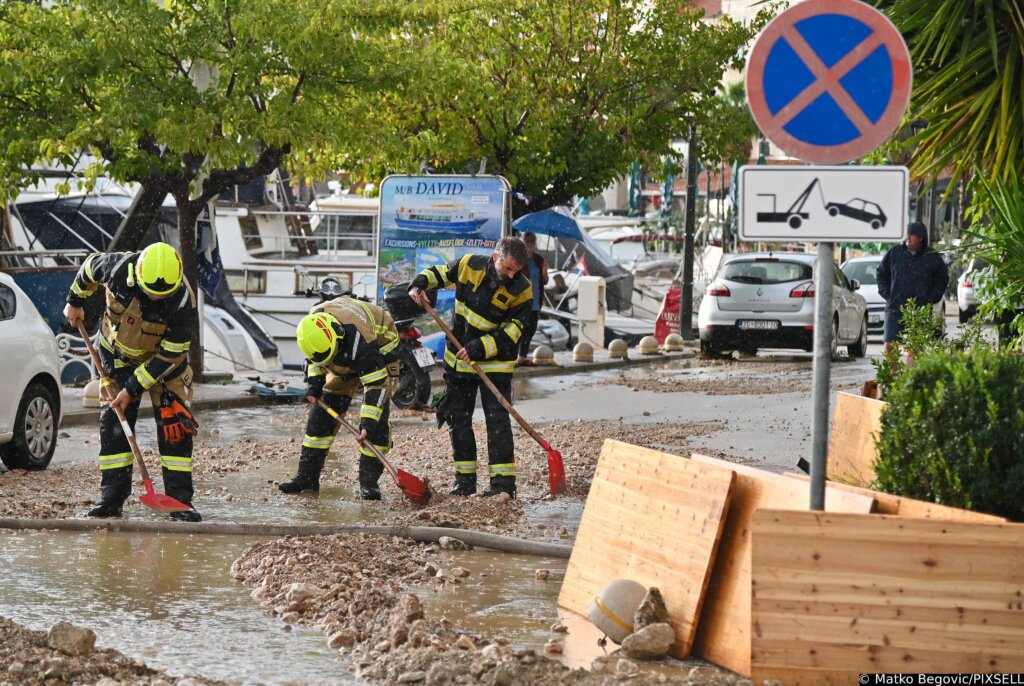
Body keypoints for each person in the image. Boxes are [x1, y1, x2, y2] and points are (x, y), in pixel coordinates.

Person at [62, 242, 202, 521]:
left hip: (166, 367)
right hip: (117, 358)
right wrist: (74, 302)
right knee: (114, 430)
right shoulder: (116, 268)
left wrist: (132, 389)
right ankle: (112, 499)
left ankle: (179, 502)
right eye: (151, 294)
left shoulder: (183, 302)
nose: (156, 300)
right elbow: (89, 268)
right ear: (138, 276)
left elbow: (169, 356)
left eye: (162, 296)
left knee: (175, 432)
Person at [408, 237, 532, 499]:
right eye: (508, 268)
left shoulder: (523, 288)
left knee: (497, 421)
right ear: (496, 256)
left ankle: (503, 485)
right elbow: (440, 273)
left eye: (516, 271)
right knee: (458, 419)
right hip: (458, 360)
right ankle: (464, 482)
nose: (511, 275)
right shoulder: (468, 265)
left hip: (495, 363)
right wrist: (419, 283)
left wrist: (478, 348)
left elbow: (513, 331)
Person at [281, 296, 400, 499]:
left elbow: (376, 385)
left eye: (333, 356)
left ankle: (369, 484)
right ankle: (307, 478)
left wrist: (367, 424)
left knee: (376, 423)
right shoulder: (312, 330)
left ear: (338, 337)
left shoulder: (362, 343)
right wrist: (315, 386)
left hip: (382, 345)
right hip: (346, 353)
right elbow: (315, 361)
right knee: (321, 418)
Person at [876, 221, 949, 364]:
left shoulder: (932, 257)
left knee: (915, 348)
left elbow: (942, 279)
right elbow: (881, 273)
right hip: (895, 308)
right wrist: (888, 294)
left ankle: (910, 379)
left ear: (920, 238)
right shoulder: (894, 253)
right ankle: (892, 379)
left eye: (911, 235)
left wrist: (931, 298)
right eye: (906, 235)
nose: (907, 238)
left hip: (920, 309)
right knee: (890, 345)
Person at [516, 232, 549, 367]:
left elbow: (544, 281)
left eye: (532, 241)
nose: (529, 244)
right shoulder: (518, 259)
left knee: (531, 329)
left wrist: (545, 272)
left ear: (535, 244)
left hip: (535, 300)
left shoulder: (539, 260)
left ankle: (523, 356)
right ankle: (513, 357)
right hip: (521, 300)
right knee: (518, 329)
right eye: (527, 241)